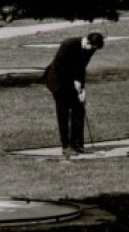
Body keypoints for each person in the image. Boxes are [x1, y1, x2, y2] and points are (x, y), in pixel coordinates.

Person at [44, 32, 105, 160]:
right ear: (88, 42)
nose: (93, 51)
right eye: (93, 48)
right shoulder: (68, 44)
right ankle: (66, 146)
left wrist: (82, 88)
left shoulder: (90, 49)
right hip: (58, 80)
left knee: (79, 109)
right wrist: (73, 83)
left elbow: (81, 67)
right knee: (63, 112)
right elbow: (61, 67)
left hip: (72, 80)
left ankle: (77, 143)